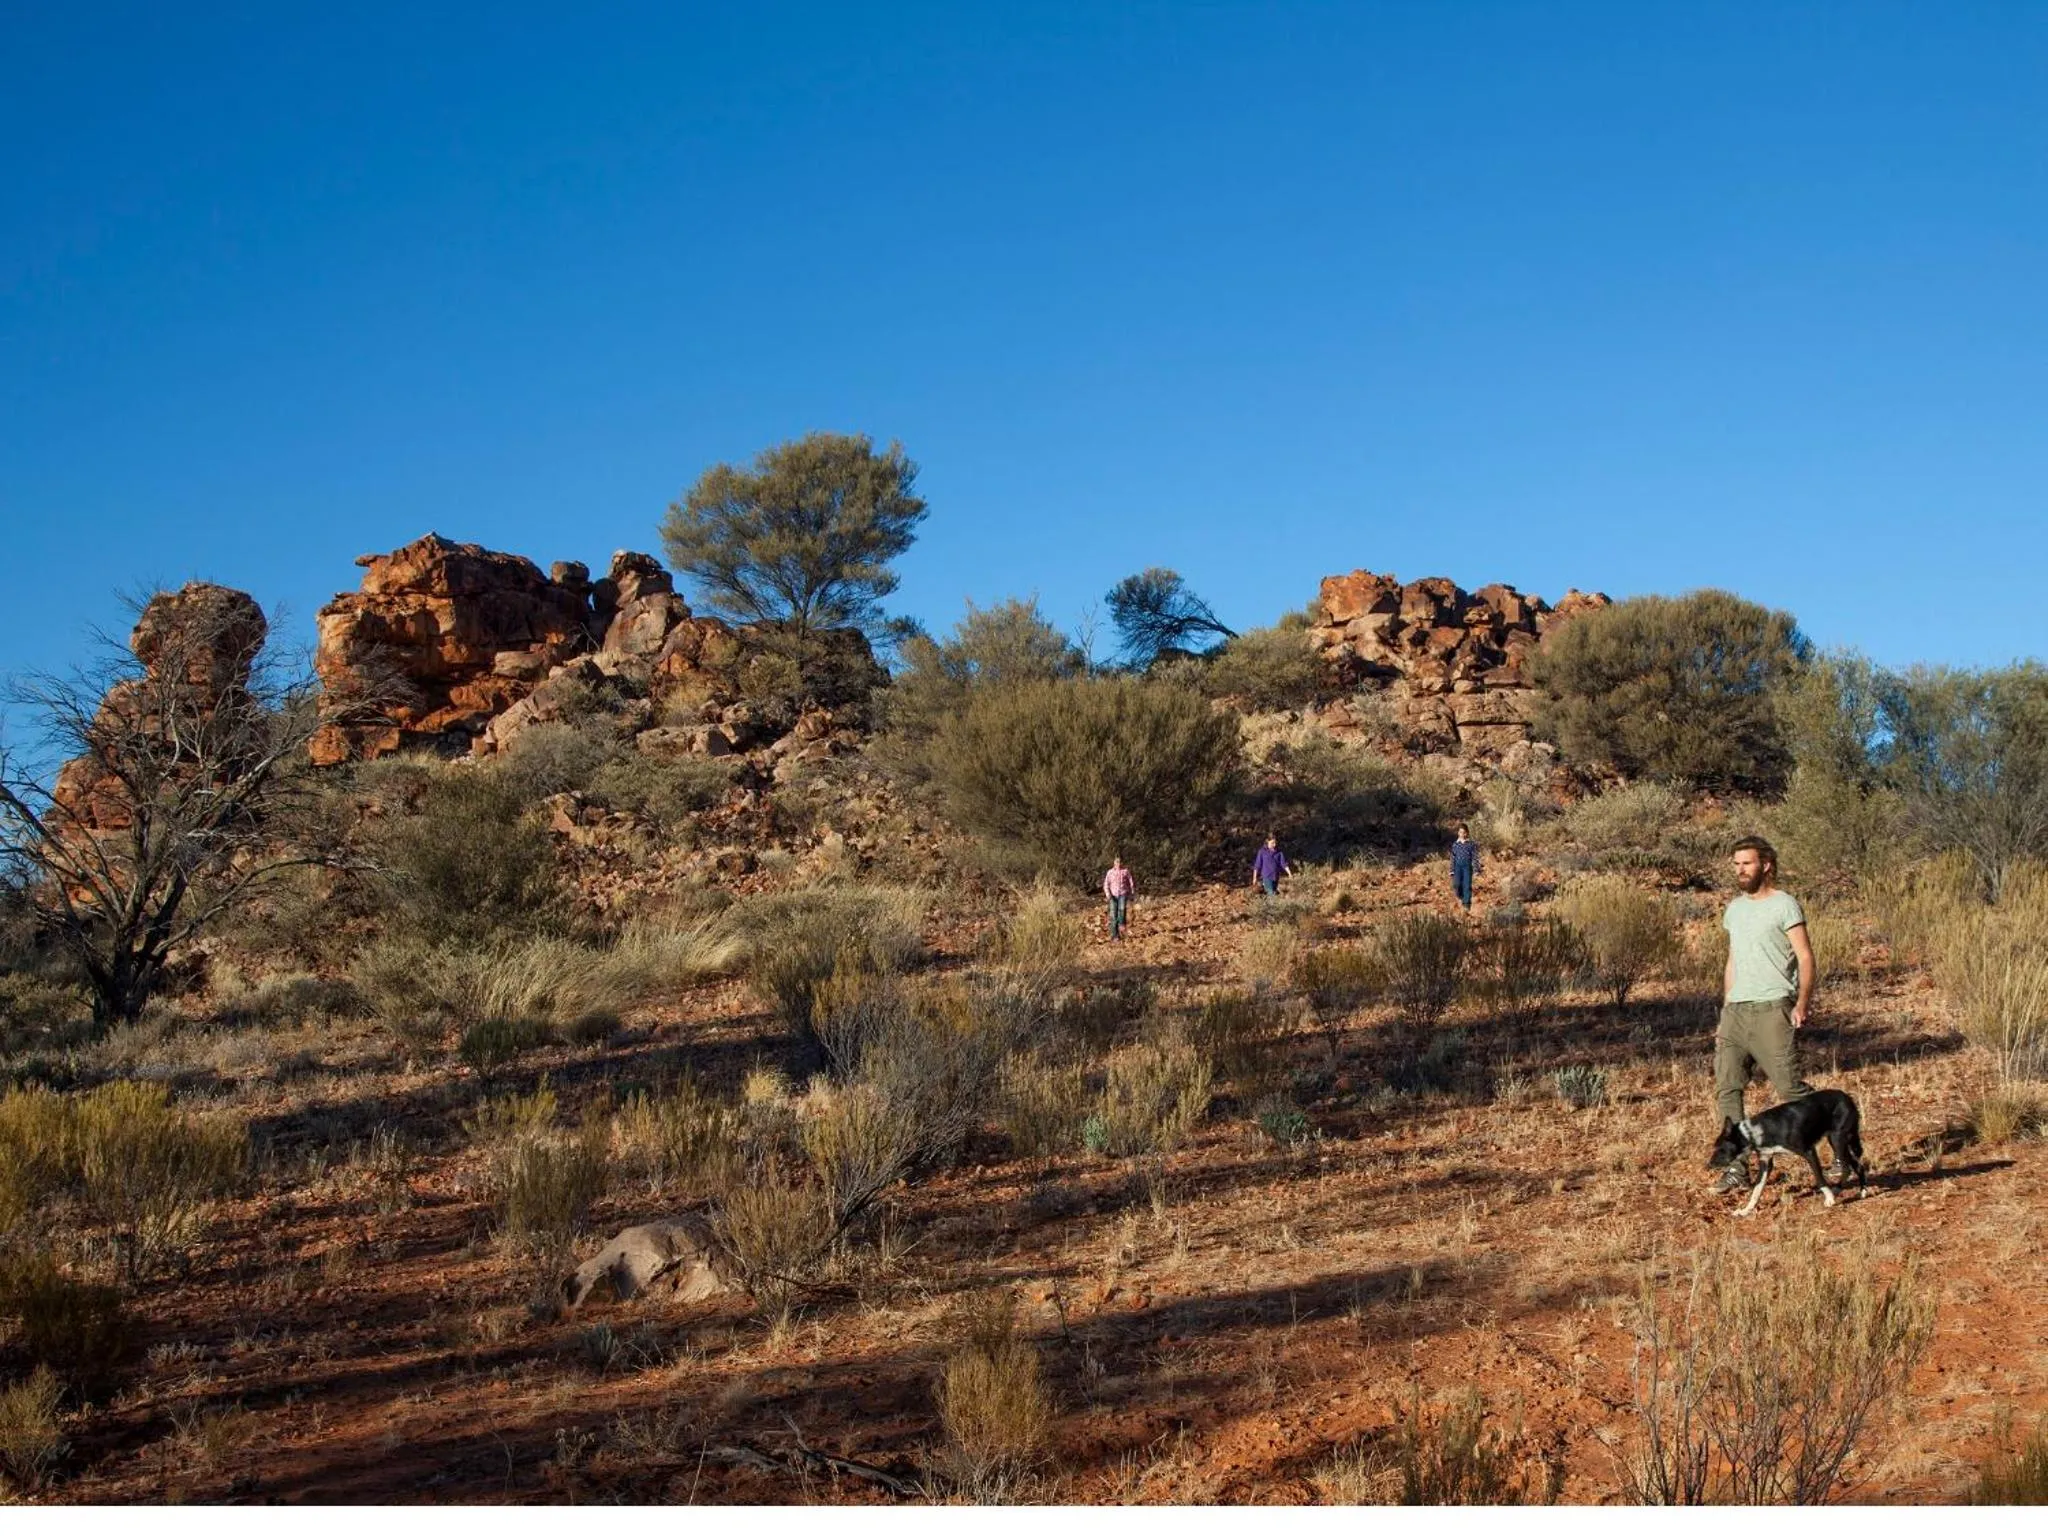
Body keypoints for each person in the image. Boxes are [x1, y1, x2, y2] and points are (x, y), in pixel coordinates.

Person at [1712, 835, 1817, 1192]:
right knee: (1728, 1088)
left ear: (1766, 865)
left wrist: (1801, 1003)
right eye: (1736, 863)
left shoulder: (1785, 905)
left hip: (1774, 1007)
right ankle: (1737, 1166)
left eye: (1747, 863)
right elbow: (1732, 961)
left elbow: (1804, 956)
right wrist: (1726, 1009)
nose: (1740, 870)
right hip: (1736, 1012)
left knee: (1790, 1088)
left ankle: (1832, 1140)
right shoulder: (1734, 909)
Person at [1102, 856, 1135, 941]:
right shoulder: (1110, 872)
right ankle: (1115, 935)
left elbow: (1130, 882)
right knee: (1113, 915)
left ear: (1122, 863)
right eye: (1117, 862)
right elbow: (1106, 884)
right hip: (1112, 896)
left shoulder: (1125, 871)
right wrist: (1108, 894)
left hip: (1122, 894)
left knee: (1122, 909)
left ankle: (1122, 924)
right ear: (1114, 863)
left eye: (1119, 862)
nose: (1118, 864)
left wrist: (1131, 893)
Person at [1450, 823, 1480, 913]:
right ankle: (1460, 895)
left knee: (1467, 885)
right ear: (1458, 833)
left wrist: (1476, 869)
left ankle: (1466, 904)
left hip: (1467, 867)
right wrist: (1451, 870)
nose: (1462, 834)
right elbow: (1452, 858)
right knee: (1457, 884)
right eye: (1460, 832)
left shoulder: (1471, 844)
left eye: (1464, 832)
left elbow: (1475, 857)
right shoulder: (1455, 844)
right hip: (1457, 867)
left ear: (1467, 833)